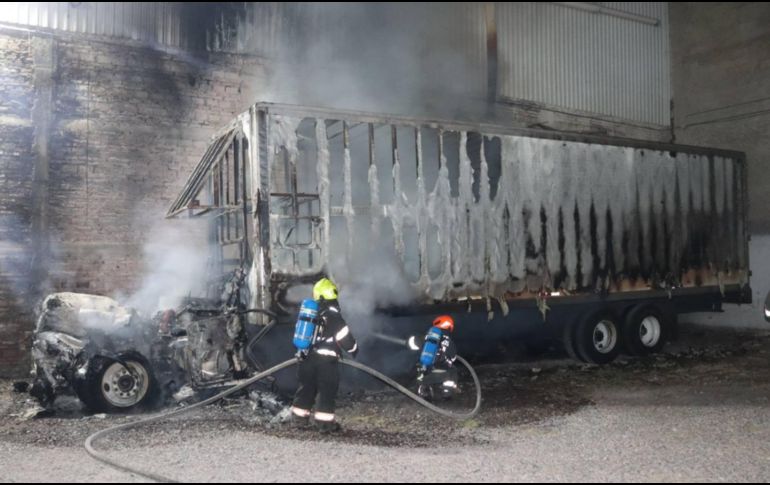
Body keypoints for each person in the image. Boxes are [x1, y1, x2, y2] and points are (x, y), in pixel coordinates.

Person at [290, 277, 358, 433]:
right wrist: (354, 350)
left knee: (306, 388)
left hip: (305, 358)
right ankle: (325, 424)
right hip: (326, 362)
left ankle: (299, 420)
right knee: (327, 391)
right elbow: (346, 340)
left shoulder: (310, 313)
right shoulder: (334, 316)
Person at [407, 315, 459, 401]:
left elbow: (413, 345)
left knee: (419, 368)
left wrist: (408, 342)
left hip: (426, 368)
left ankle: (424, 390)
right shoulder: (450, 341)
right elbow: (453, 356)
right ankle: (447, 392)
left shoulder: (429, 336)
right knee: (453, 370)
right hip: (442, 369)